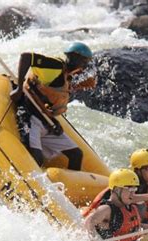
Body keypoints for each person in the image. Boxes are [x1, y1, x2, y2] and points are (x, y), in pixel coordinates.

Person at [10, 42, 96, 171]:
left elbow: (53, 93)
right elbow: (26, 57)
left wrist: (80, 86)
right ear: (74, 57)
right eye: (83, 62)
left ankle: (72, 189)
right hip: (30, 116)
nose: (84, 66)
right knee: (37, 159)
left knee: (76, 154)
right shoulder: (55, 65)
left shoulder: (67, 76)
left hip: (46, 121)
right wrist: (19, 89)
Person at [84, 168, 148, 241]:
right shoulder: (106, 209)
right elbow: (89, 222)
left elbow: (137, 228)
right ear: (117, 189)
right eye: (129, 190)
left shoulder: (131, 208)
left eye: (134, 190)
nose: (132, 194)